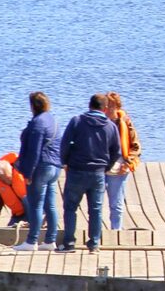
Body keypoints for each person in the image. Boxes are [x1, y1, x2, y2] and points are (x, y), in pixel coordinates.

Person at [58, 93, 122, 253]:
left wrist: (64, 162)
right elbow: (116, 151)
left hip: (76, 171)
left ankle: (69, 244)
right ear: (105, 108)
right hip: (98, 173)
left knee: (71, 207)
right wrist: (106, 167)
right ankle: (94, 244)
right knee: (96, 209)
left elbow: (64, 144)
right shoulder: (111, 126)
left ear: (89, 105)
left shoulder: (77, 121)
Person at [14, 92, 62, 251]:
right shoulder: (52, 119)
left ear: (33, 105)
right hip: (54, 167)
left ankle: (31, 241)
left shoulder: (37, 123)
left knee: (36, 204)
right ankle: (50, 241)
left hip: (40, 168)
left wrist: (28, 173)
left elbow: (34, 151)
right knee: (50, 205)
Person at [103, 91, 142, 230]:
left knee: (116, 204)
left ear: (118, 107)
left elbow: (136, 146)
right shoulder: (98, 122)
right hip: (100, 166)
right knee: (96, 203)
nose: (108, 109)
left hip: (120, 167)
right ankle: (96, 233)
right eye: (106, 106)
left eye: (112, 106)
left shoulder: (125, 123)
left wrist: (128, 163)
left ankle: (116, 231)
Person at [0, 153, 27, 228]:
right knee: (9, 231)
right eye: (6, 178)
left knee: (27, 199)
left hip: (34, 211)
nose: (10, 180)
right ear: (0, 177)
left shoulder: (23, 175)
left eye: (10, 176)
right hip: (19, 215)